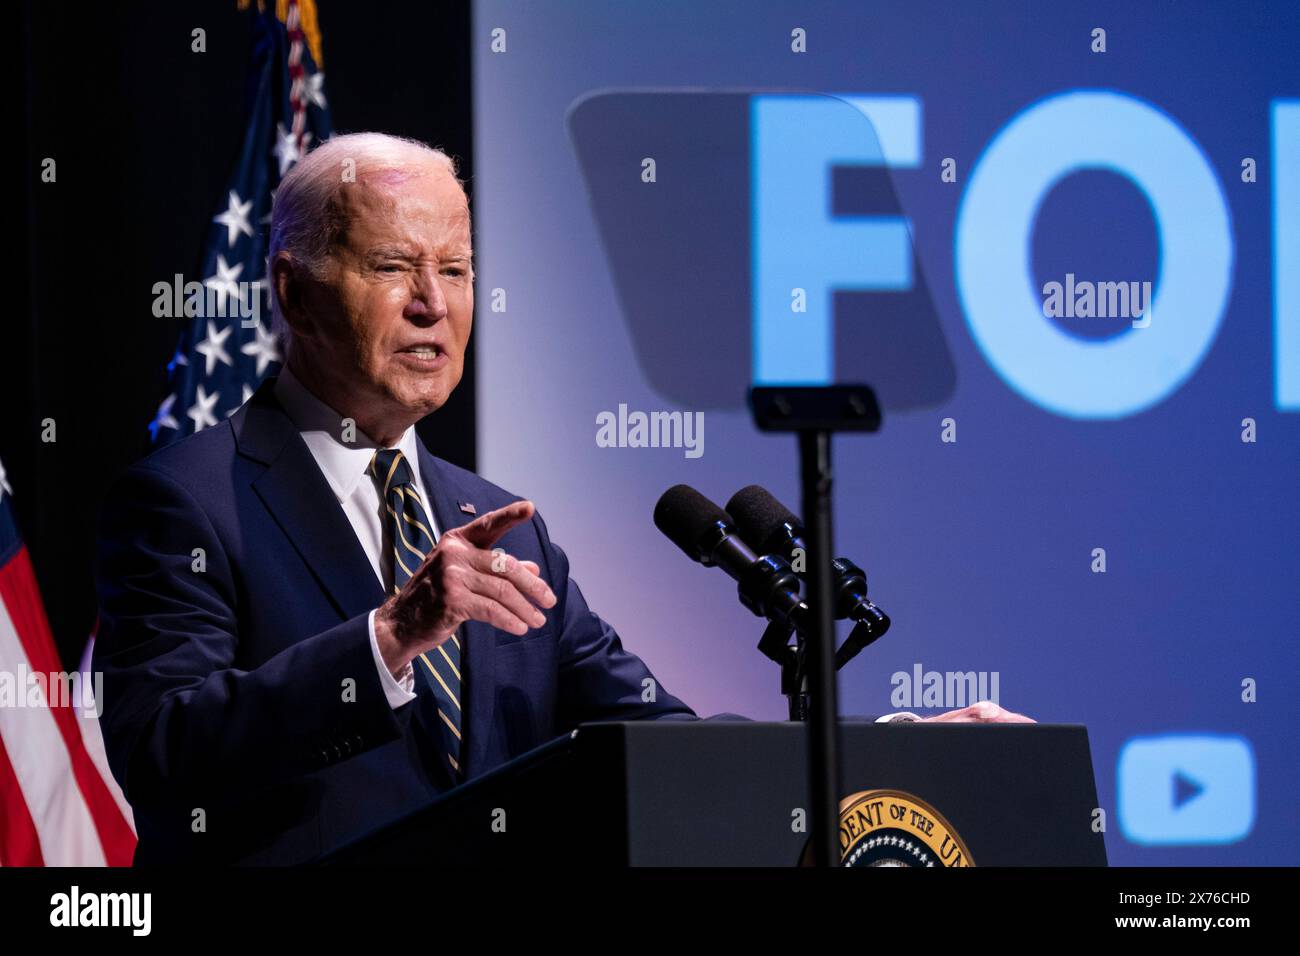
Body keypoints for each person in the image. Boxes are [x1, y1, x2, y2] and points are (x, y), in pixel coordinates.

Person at [94, 132, 1029, 865]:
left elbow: (660, 744)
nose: (433, 303)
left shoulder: (504, 526)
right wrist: (384, 642)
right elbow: (165, 755)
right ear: (294, 295)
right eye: (392, 268)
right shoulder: (185, 500)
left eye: (455, 270)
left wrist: (892, 752)